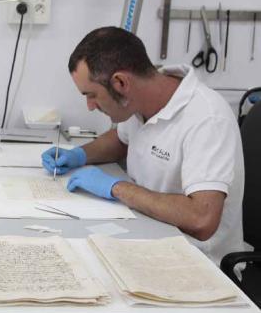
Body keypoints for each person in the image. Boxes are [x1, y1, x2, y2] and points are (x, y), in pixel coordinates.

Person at [41, 26, 244, 264]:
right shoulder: (140, 103)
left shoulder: (207, 119)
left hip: (196, 260)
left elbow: (202, 220)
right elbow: (120, 140)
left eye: (92, 95)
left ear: (121, 83)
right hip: (147, 233)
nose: (90, 106)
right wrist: (78, 155)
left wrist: (117, 188)